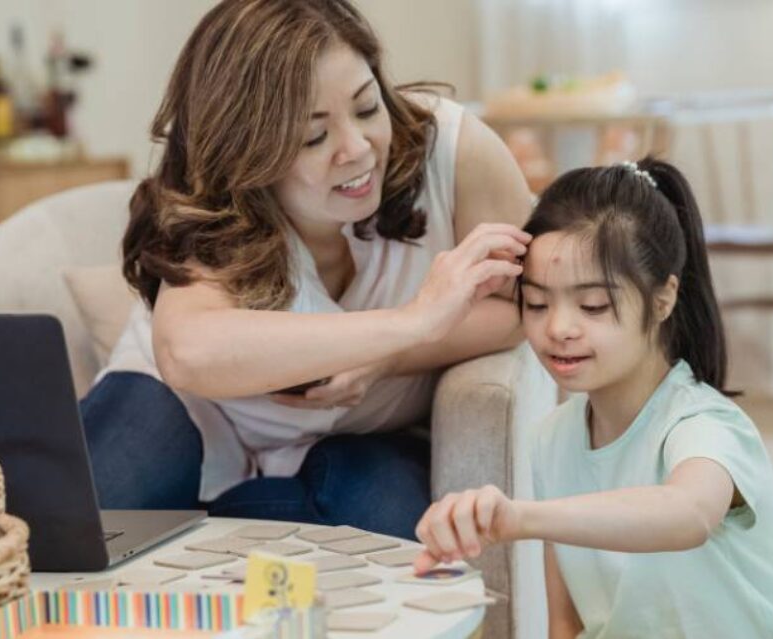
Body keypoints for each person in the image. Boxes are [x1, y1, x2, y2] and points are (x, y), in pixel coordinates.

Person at [79, 0, 533, 540]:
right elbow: (187, 352)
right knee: (76, 526)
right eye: (312, 138)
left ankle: (219, 526)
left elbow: (531, 305)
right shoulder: (217, 206)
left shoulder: (454, 155)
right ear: (246, 153)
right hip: (191, 413)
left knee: (389, 534)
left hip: (360, 441)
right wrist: (404, 325)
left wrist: (387, 361)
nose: (358, 149)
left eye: (367, 108)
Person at [413, 158, 773, 636]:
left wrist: (519, 518)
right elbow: (567, 624)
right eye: (536, 303)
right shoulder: (553, 438)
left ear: (663, 299)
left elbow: (688, 513)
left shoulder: (706, 425)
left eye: (592, 305)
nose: (558, 328)